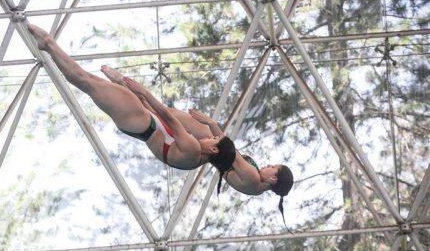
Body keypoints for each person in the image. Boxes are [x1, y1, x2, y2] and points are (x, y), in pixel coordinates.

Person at [27, 23, 236, 177]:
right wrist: (125, 85)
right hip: (144, 122)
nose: (210, 137)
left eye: (214, 139)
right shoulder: (195, 159)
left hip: (142, 122)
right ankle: (48, 45)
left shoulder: (193, 149)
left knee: (87, 81)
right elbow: (164, 125)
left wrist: (142, 92)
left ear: (214, 149)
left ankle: (47, 43)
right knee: (90, 82)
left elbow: (167, 117)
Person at [100, 65, 294, 218]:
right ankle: (126, 88)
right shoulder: (254, 184)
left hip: (203, 153)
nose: (268, 165)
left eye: (273, 167)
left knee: (161, 115)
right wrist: (211, 125)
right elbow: (226, 148)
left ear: (273, 178)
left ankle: (125, 87)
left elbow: (229, 151)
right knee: (162, 115)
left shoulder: (253, 179)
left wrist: (211, 124)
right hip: (208, 153)